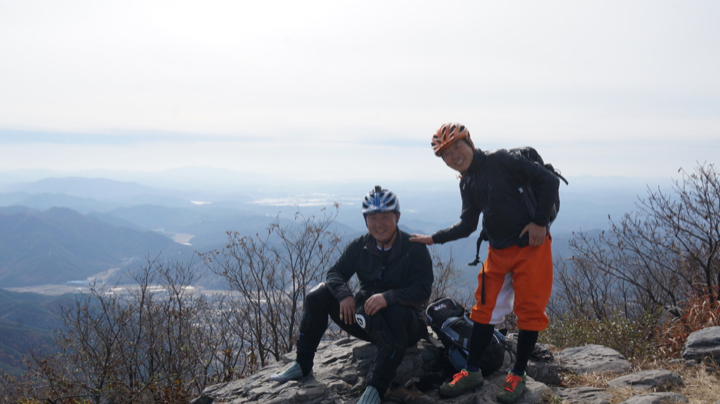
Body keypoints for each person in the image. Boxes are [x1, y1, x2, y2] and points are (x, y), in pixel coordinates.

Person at [410, 123, 560, 404]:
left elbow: (549, 181)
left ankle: (517, 375)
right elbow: (468, 225)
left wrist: (540, 222)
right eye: (446, 154)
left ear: (470, 143)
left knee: (529, 313)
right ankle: (471, 371)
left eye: (457, 147)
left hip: (532, 248)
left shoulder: (499, 160)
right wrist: (433, 238)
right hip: (498, 252)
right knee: (483, 312)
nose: (454, 156)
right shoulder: (467, 182)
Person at [269, 185, 434, 404]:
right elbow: (335, 273)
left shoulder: (414, 248)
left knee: (395, 312)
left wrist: (388, 298)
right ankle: (303, 363)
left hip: (405, 327)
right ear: (365, 220)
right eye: (373, 218)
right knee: (318, 295)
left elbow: (422, 290)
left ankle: (375, 389)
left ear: (397, 217)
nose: (379, 224)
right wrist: (344, 294)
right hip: (368, 320)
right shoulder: (361, 246)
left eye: (385, 217)